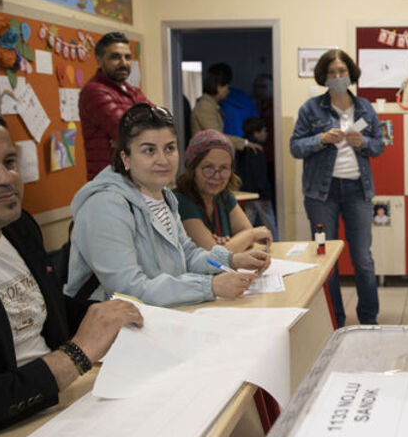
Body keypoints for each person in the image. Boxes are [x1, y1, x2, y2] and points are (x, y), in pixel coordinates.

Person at [0, 104, 143, 437]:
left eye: (10, 162)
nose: (6, 178)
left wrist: (110, 315)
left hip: (67, 401)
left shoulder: (19, 228)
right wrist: (74, 356)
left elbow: (43, 305)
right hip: (5, 433)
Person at [66, 104, 270, 307]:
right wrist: (210, 286)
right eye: (149, 150)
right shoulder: (105, 205)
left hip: (163, 313)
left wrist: (232, 260)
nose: (163, 160)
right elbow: (128, 290)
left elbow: (188, 254)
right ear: (125, 158)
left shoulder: (162, 195)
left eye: (169, 148)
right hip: (117, 322)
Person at [290, 49, 384, 326]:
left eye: (342, 71)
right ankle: (335, 320)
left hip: (358, 190)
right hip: (322, 194)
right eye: (331, 72)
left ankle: (369, 319)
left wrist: (364, 143)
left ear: (350, 73)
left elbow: (379, 146)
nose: (337, 76)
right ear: (324, 76)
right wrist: (320, 139)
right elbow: (295, 147)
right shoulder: (310, 109)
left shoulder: (365, 108)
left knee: (363, 258)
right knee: (327, 260)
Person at [174, 129, 272, 251]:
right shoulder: (180, 201)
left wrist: (233, 243)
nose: (217, 176)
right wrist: (250, 235)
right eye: (208, 168)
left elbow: (246, 240)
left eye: (224, 168)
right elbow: (213, 255)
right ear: (192, 169)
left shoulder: (224, 196)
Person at [79, 32, 149, 180]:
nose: (123, 63)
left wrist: (125, 141)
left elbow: (163, 124)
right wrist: (131, 136)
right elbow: (130, 133)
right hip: (109, 182)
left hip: (134, 178)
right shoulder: (94, 91)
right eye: (115, 57)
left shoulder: (133, 91)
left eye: (127, 57)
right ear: (99, 60)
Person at [190, 63, 262, 153]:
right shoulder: (205, 106)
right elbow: (217, 136)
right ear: (218, 87)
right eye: (227, 87)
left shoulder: (213, 106)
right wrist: (245, 143)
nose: (228, 91)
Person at [236, 117, 278, 240]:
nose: (266, 134)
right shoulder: (257, 150)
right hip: (259, 194)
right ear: (256, 133)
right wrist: (265, 193)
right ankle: (275, 244)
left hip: (247, 192)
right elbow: (260, 174)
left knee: (248, 222)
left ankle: (244, 242)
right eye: (264, 131)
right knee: (269, 222)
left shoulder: (242, 149)